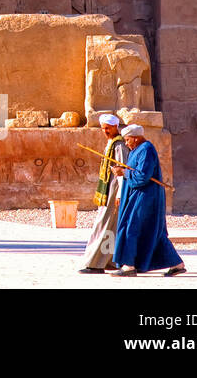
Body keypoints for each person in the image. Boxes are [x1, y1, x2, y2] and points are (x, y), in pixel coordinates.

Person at [110, 124, 186, 277]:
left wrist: (123, 172)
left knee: (131, 227)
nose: (126, 143)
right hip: (136, 195)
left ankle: (129, 265)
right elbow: (134, 171)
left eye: (127, 140)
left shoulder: (146, 149)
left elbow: (142, 176)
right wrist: (123, 171)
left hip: (145, 197)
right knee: (151, 231)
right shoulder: (134, 151)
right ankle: (177, 264)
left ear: (136, 138)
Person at [79, 114, 126, 273]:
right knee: (110, 226)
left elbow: (122, 171)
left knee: (104, 225)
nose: (105, 131)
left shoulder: (119, 146)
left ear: (115, 127)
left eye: (108, 128)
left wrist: (120, 193)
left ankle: (95, 263)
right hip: (108, 190)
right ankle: (109, 261)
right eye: (103, 128)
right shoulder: (111, 143)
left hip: (114, 192)